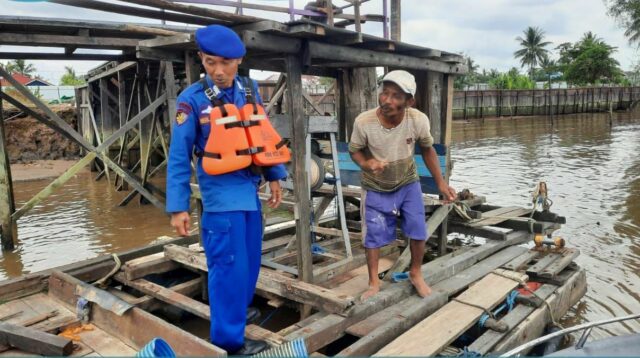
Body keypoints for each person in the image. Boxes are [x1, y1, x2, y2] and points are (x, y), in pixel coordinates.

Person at [166, 24, 287, 355]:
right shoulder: (191, 101)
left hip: (250, 192)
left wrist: (275, 174)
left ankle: (238, 313)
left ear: (239, 60)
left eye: (226, 63)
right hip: (221, 200)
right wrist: (178, 207)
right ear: (201, 59)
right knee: (228, 268)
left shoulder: (249, 91)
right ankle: (229, 342)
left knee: (249, 263)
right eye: (210, 63)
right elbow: (178, 156)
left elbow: (261, 135)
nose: (218, 71)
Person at [348, 70, 457, 301]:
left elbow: (428, 150)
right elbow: (354, 150)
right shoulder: (364, 122)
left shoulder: (417, 120)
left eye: (396, 96)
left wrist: (441, 183)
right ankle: (373, 282)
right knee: (373, 234)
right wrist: (368, 163)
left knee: (418, 228)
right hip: (375, 184)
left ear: (409, 101)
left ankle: (416, 273)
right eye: (384, 93)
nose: (387, 100)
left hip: (407, 181)